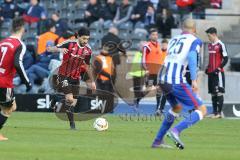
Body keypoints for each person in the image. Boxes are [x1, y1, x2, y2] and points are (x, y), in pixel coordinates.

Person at [151, 19, 206, 149]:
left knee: (177, 108)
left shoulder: (174, 40)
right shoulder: (195, 40)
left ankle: (158, 141)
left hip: (163, 78)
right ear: (195, 30)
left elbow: (167, 60)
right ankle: (176, 131)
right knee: (202, 109)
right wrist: (193, 79)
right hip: (175, 80)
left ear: (182, 29)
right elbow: (192, 58)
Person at [47, 27, 96, 130]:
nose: (85, 41)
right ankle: (58, 99)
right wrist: (60, 49)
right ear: (78, 36)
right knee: (69, 99)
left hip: (76, 77)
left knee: (73, 102)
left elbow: (87, 66)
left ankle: (72, 125)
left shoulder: (88, 50)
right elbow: (49, 48)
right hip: (63, 75)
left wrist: (92, 81)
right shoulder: (69, 44)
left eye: (87, 39)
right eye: (83, 38)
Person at [0, 17, 32, 141]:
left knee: (13, 106)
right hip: (4, 82)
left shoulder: (2, 42)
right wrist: (26, 81)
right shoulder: (19, 44)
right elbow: (18, 64)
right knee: (8, 109)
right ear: (23, 29)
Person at [205, 27, 228, 119]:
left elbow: (226, 59)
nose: (208, 38)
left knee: (219, 92)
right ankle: (215, 113)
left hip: (218, 73)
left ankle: (219, 113)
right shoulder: (210, 45)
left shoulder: (221, 44)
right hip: (211, 73)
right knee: (213, 93)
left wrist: (218, 69)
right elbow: (211, 59)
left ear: (214, 34)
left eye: (209, 36)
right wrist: (208, 67)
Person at [142, 29, 163, 112]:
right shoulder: (147, 46)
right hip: (150, 72)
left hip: (158, 73)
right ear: (150, 36)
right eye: (153, 34)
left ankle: (158, 107)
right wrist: (146, 69)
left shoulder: (159, 46)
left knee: (159, 89)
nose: (155, 36)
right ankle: (136, 100)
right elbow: (143, 59)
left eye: (156, 35)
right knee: (148, 90)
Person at [155, 39, 168, 115]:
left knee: (166, 91)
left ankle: (161, 108)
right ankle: (158, 107)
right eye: (163, 44)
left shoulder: (169, 53)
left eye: (165, 45)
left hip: (166, 73)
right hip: (159, 72)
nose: (164, 46)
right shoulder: (158, 52)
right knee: (159, 90)